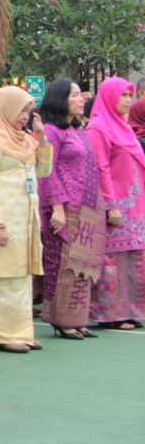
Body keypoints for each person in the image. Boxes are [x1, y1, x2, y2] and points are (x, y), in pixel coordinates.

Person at [0, 86, 53, 353]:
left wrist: (41, 139)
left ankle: (21, 331)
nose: (25, 116)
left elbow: (42, 171)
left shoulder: (24, 139)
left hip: (24, 218)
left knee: (20, 274)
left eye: (28, 111)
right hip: (1, 218)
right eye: (21, 110)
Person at [37, 79, 105, 340]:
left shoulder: (78, 130)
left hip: (86, 207)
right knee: (63, 264)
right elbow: (47, 171)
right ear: (60, 99)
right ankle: (61, 320)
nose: (81, 100)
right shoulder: (51, 131)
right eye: (75, 95)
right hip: (64, 207)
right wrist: (56, 207)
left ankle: (78, 319)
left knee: (81, 265)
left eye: (80, 95)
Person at [85, 77, 145, 330]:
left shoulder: (124, 127)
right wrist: (111, 205)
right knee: (112, 261)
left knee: (134, 258)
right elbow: (100, 168)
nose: (128, 100)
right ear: (109, 97)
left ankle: (131, 310)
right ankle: (110, 314)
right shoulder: (98, 128)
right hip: (116, 205)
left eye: (130, 96)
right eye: (123, 95)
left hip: (135, 205)